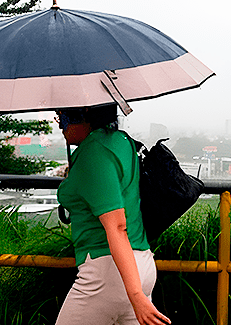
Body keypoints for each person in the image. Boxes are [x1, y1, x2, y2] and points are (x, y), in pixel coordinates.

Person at [55, 105, 171, 325]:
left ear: (83, 115)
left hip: (109, 272)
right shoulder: (121, 141)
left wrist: (135, 296)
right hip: (140, 264)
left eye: (61, 116)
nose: (59, 123)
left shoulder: (94, 153)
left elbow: (116, 226)